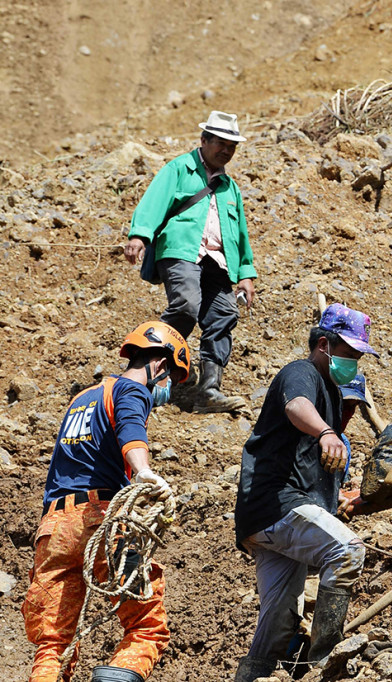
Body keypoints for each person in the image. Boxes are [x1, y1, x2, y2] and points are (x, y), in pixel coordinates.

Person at [22, 322, 185, 682]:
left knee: (53, 645)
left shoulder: (82, 398)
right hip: (102, 518)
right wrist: (142, 471)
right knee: (147, 627)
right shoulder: (131, 389)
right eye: (171, 377)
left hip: (54, 527)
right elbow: (131, 428)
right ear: (160, 365)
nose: (167, 389)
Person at [233, 304, 378, 681]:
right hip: (278, 504)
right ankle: (324, 664)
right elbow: (296, 406)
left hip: (263, 522)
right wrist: (327, 432)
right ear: (324, 345)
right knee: (347, 551)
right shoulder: (302, 373)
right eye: (351, 353)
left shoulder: (329, 395)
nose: (355, 362)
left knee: (278, 622)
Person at [124, 111, 257, 414]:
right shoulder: (179, 169)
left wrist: (246, 273)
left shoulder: (229, 187)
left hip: (218, 261)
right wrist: (140, 236)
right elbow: (154, 202)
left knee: (223, 315)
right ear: (204, 140)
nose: (226, 150)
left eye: (231, 146)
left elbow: (240, 233)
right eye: (220, 144)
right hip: (182, 251)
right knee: (186, 305)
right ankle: (142, 373)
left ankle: (208, 391)